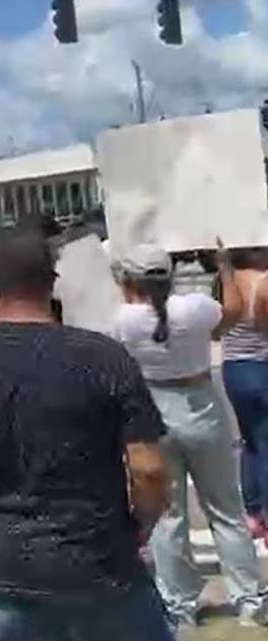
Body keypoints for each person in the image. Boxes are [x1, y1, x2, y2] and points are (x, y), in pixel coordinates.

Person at [0, 226, 173, 641]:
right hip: (104, 560)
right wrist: (140, 525)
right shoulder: (105, 357)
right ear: (52, 283)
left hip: (12, 568)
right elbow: (149, 468)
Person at [113, 245, 267, 629]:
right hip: (199, 402)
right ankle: (249, 598)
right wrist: (224, 267)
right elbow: (233, 311)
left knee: (169, 515)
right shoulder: (194, 307)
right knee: (225, 508)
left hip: (153, 407)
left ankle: (179, 604)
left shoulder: (124, 320)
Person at [217, 246, 268, 540]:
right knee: (265, 442)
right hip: (261, 366)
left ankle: (252, 512)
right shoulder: (262, 281)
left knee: (250, 442)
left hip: (234, 368)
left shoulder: (228, 279)